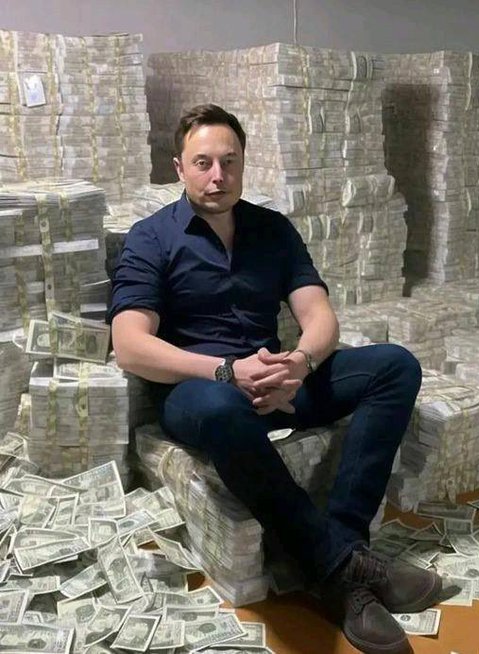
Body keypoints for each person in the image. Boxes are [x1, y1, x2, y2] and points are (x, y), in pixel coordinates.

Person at [109, 103, 441, 654]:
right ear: (179, 168)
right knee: (222, 408)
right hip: (201, 392)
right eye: (203, 163)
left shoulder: (273, 229)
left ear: (243, 164)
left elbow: (319, 315)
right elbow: (130, 345)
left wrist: (300, 364)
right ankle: (338, 568)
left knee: (395, 366)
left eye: (229, 162)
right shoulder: (151, 238)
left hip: (275, 381)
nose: (218, 175)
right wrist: (225, 372)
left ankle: (345, 545)